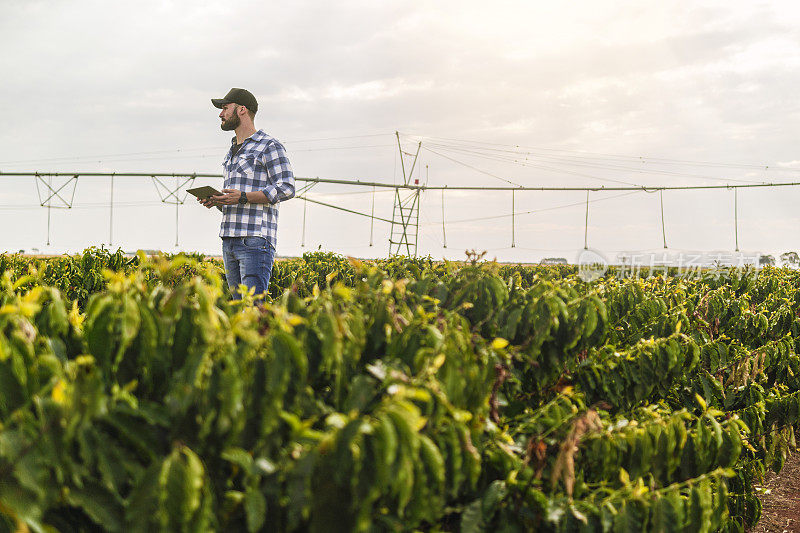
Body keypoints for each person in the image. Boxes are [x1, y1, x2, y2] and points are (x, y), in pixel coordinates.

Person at [199, 88, 295, 301]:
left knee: (253, 311)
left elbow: (287, 187)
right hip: (229, 240)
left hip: (254, 240)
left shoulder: (269, 146)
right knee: (237, 312)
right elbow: (236, 200)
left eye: (225, 108)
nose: (221, 114)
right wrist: (217, 201)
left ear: (242, 110)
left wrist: (242, 196)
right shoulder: (231, 151)